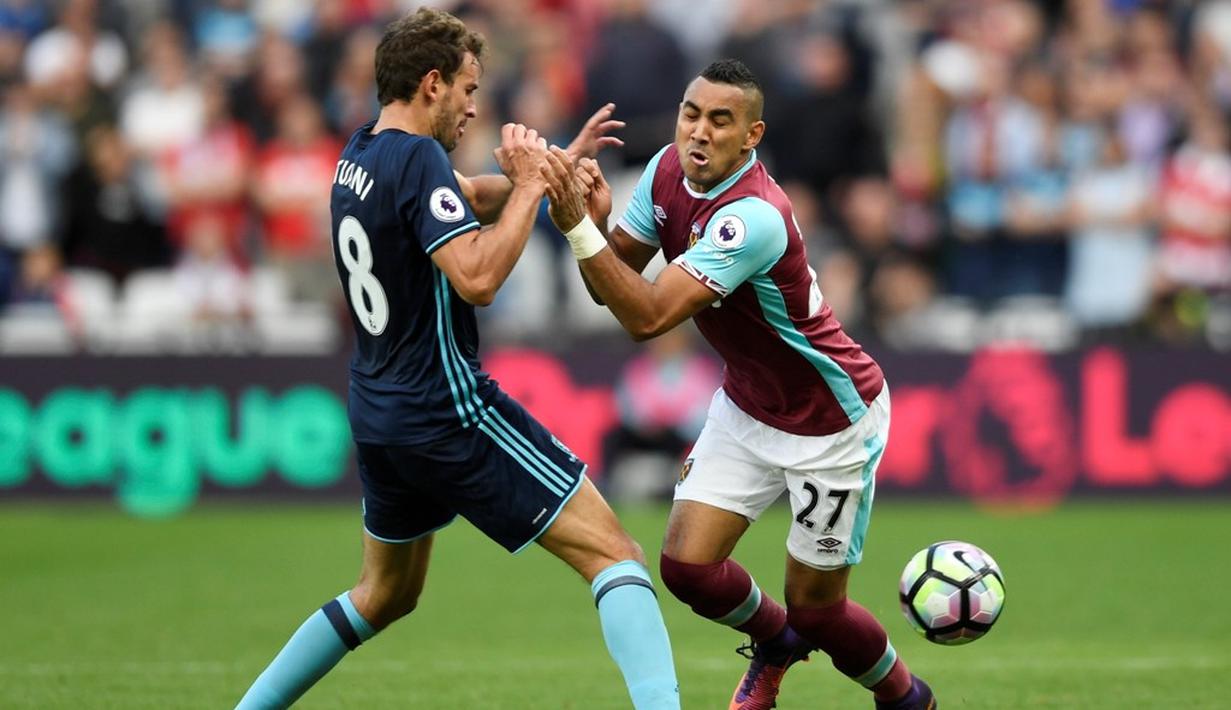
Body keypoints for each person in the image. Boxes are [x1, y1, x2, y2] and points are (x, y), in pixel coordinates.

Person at [234, 8, 679, 709]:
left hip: (379, 408)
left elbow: (464, 196)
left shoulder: (361, 151)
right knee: (615, 555)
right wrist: (533, 188)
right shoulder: (418, 157)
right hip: (447, 408)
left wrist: (554, 166)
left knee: (384, 594)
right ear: (433, 83)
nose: (476, 106)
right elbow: (476, 277)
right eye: (469, 88)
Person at [540, 59, 936, 710]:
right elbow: (607, 286)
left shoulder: (751, 217)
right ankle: (775, 643)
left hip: (831, 422)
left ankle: (905, 696)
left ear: (750, 136)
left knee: (818, 611)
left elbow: (646, 317)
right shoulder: (664, 170)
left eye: (719, 121)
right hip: (749, 406)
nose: (698, 132)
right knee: (687, 572)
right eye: (690, 114)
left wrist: (576, 229)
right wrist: (593, 222)